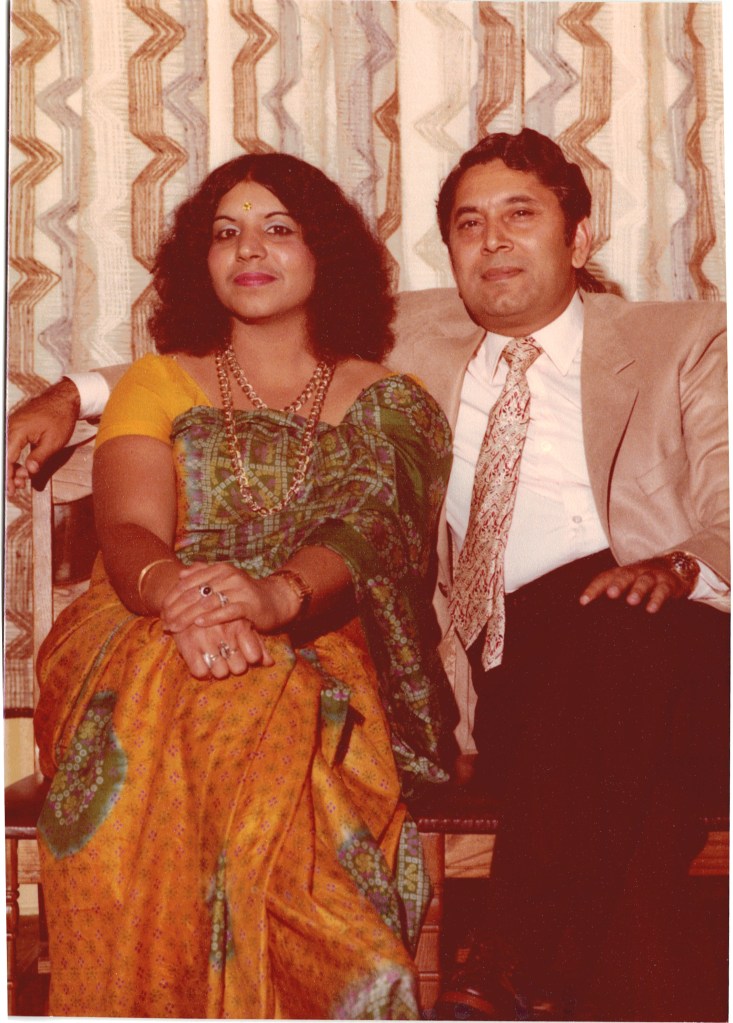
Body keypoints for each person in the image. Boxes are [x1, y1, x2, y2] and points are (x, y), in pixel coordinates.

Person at [7, 128, 730, 1020]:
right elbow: (236, 340)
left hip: (674, 632)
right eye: (468, 223)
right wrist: (70, 392)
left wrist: (679, 567)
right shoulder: (417, 338)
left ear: (578, 238)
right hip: (522, 679)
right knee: (638, 814)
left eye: (520, 215)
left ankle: (500, 968)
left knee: (618, 638)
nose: (493, 241)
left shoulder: (684, 338)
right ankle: (534, 985)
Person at [22, 152, 457, 1019]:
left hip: (318, 634)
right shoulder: (159, 380)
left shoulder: (391, 400)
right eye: (226, 233)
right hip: (142, 620)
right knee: (198, 680)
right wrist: (186, 598)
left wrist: (274, 599)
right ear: (203, 261)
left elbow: (371, 527)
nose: (248, 249)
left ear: (325, 253)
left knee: (266, 688)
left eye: (277, 229)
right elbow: (128, 528)